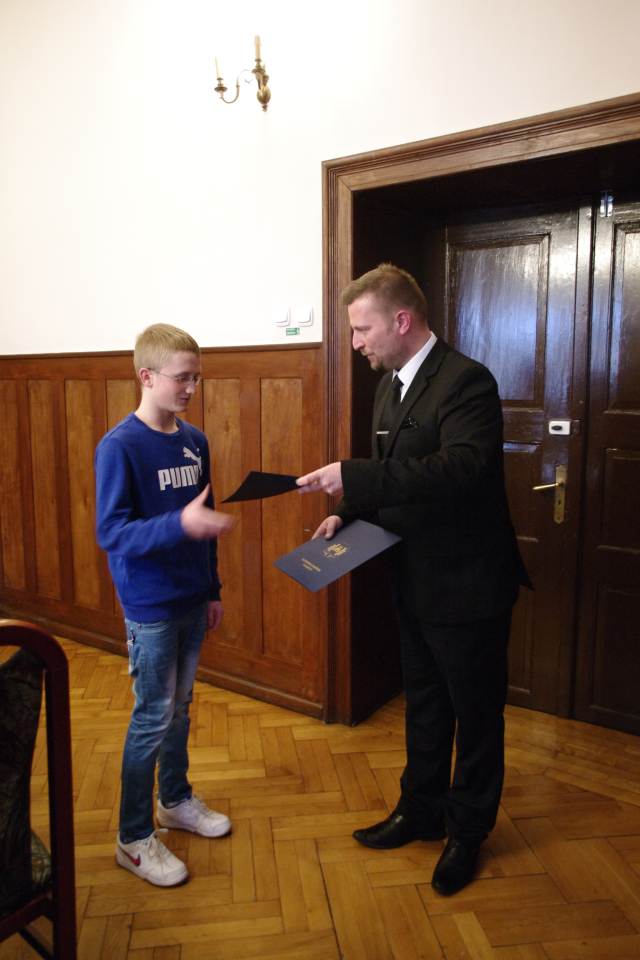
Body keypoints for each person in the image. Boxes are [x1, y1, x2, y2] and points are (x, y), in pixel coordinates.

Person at [297, 263, 530, 896]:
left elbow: (461, 469)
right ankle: (420, 809)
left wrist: (352, 476)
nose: (355, 342)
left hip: (469, 586)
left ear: (402, 320)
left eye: (362, 329)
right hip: (413, 579)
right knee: (424, 704)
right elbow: (391, 471)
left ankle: (467, 831)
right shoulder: (389, 387)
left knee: (475, 716)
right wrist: (347, 512)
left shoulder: (467, 381)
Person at [95, 323, 235, 887]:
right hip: (150, 606)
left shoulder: (195, 441)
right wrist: (179, 523)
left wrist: (213, 588)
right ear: (146, 376)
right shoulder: (120, 446)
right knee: (152, 716)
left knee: (180, 709)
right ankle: (132, 838)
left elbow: (206, 521)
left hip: (192, 599)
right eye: (182, 378)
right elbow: (112, 532)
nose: (191, 388)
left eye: (197, 378)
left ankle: (174, 801)